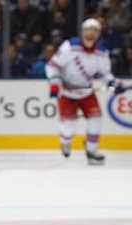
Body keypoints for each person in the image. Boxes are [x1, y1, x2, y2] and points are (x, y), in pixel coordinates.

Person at [45, 18, 125, 165]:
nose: (91, 32)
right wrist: (54, 84)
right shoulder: (69, 47)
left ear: (98, 33)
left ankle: (91, 151)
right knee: (70, 125)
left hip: (86, 92)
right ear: (83, 31)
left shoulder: (102, 53)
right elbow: (52, 65)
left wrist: (113, 83)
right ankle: (65, 141)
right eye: (89, 29)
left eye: (95, 30)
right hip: (67, 93)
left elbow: (104, 74)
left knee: (96, 119)